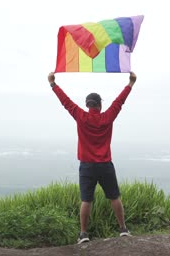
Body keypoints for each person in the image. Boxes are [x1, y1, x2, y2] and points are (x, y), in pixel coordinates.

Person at [47, 71, 137, 244]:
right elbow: (119, 102)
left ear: (87, 105)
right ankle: (123, 229)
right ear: (100, 106)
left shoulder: (81, 117)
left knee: (86, 200)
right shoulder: (107, 117)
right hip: (105, 164)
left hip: (87, 166)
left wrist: (53, 84)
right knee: (114, 197)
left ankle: (83, 234)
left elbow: (66, 102)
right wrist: (130, 84)